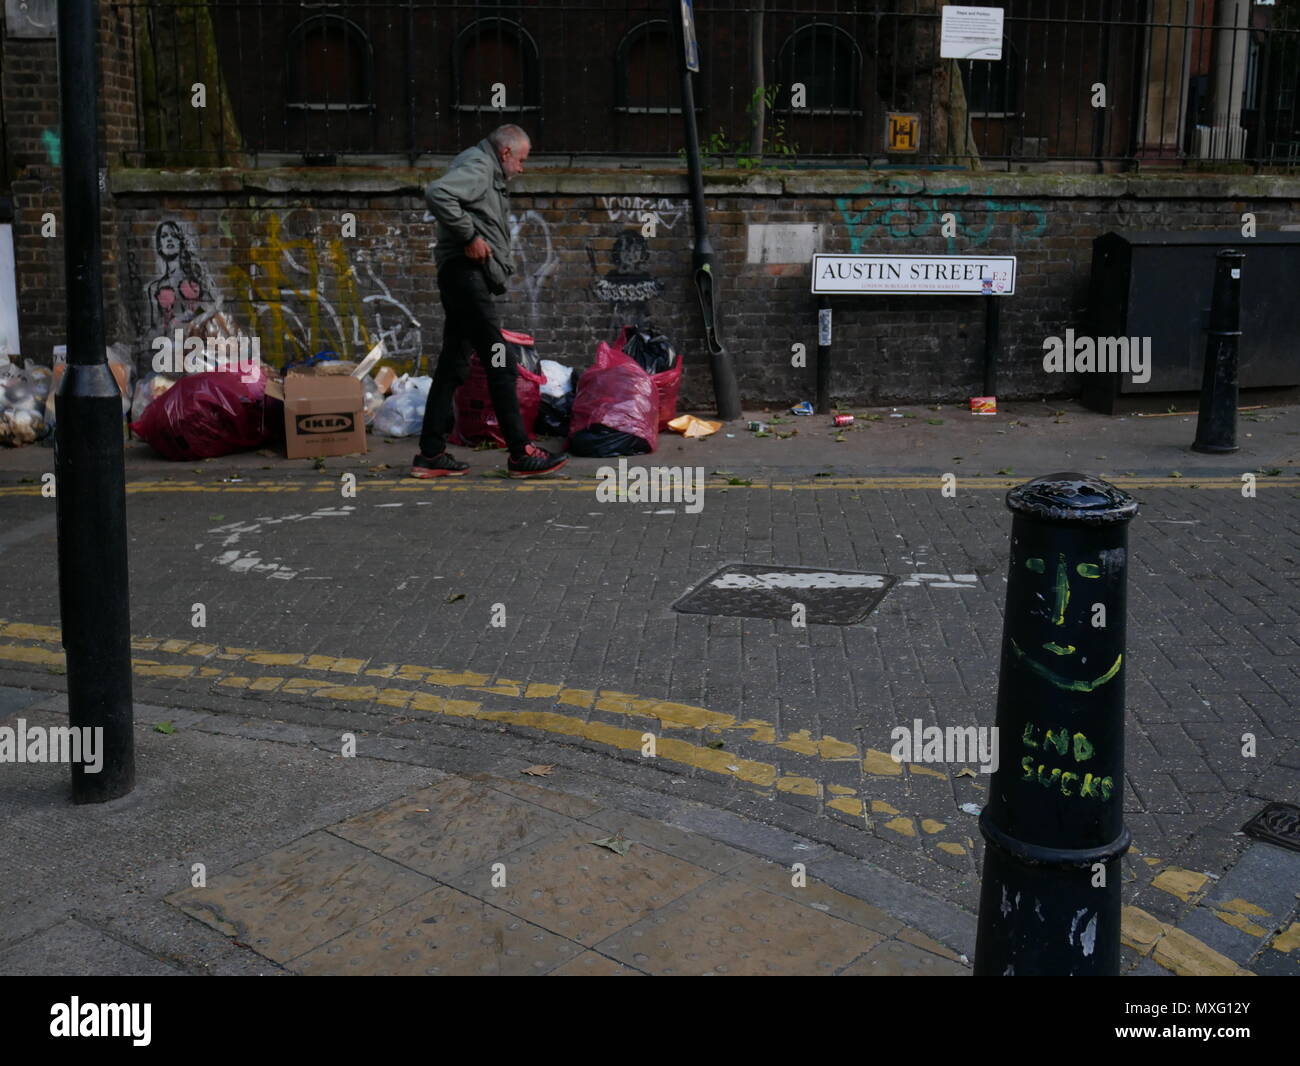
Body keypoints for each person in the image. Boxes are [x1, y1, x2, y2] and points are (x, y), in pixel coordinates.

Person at [410, 124, 567, 478]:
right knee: (501, 361)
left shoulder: (482, 168)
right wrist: (470, 235)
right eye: (522, 160)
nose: (522, 169)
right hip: (466, 276)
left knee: (453, 365)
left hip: (463, 277)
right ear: (506, 153)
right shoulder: (480, 166)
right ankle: (520, 453)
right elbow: (438, 194)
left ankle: (431, 454)